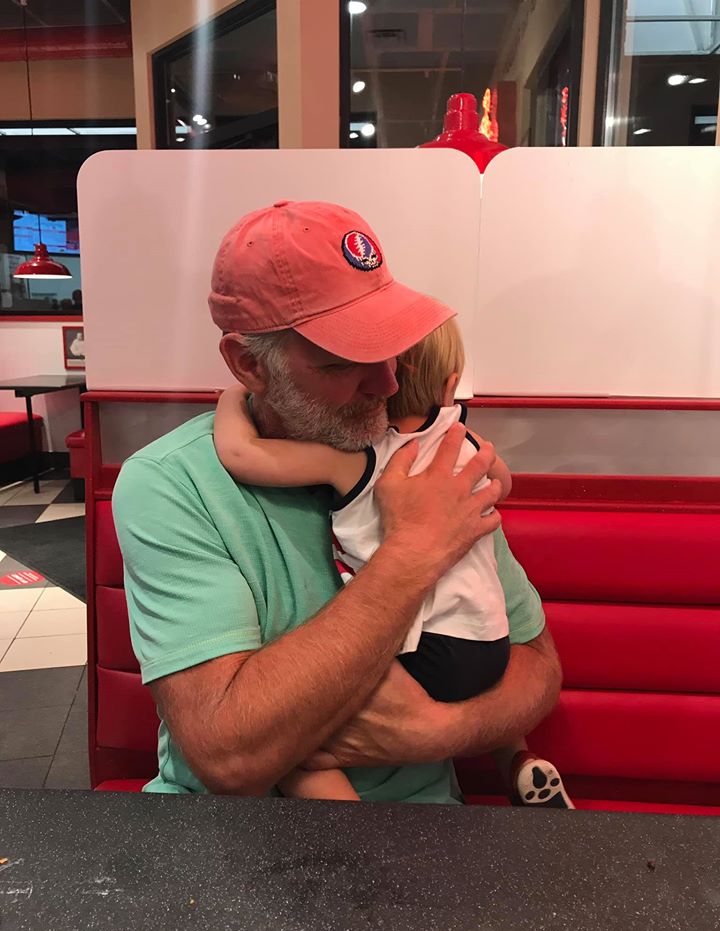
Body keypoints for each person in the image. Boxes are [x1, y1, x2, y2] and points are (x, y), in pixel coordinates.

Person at [112, 199, 562, 801]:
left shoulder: (430, 460)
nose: (389, 383)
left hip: (421, 825)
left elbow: (538, 667)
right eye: (344, 361)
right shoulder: (173, 483)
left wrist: (437, 732)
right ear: (248, 365)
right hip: (230, 829)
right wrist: (413, 550)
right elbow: (229, 756)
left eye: (392, 345)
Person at [213, 316, 573, 808]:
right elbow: (502, 485)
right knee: (473, 689)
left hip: (426, 648)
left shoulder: (358, 461)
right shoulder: (465, 450)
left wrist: (231, 398)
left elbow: (242, 454)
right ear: (450, 386)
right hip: (488, 643)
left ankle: (352, 823)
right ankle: (516, 757)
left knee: (298, 733)